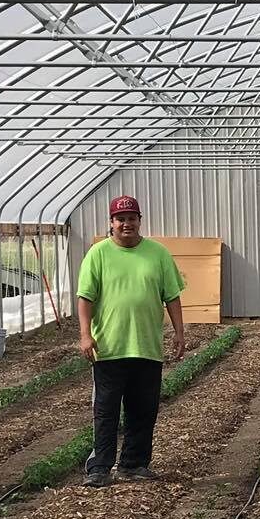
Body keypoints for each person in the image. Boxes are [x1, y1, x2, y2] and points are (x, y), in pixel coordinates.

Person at [76, 195, 186, 488]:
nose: (127, 224)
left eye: (131, 218)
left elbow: (172, 296)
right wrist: (85, 335)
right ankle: (100, 467)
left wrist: (179, 333)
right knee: (106, 411)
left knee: (143, 409)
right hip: (109, 348)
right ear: (111, 223)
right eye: (120, 219)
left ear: (140, 221)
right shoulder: (98, 254)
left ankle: (134, 464)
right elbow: (85, 297)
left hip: (147, 346)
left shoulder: (158, 254)